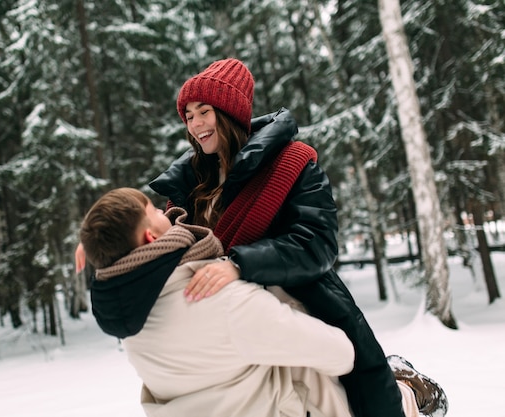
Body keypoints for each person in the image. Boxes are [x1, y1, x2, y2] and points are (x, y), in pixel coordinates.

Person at [147, 58, 448, 417]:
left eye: (204, 112)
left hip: (298, 306)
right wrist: (106, 238)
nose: (195, 125)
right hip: (224, 319)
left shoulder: (291, 164)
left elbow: (317, 244)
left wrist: (240, 265)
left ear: (229, 112)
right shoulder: (190, 184)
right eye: (189, 116)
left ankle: (409, 391)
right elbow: (161, 242)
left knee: (348, 406)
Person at [80, 187, 436, 417]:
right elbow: (341, 353)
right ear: (150, 236)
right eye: (154, 209)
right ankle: (414, 395)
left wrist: (100, 247)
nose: (165, 210)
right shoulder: (219, 301)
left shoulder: (132, 325)